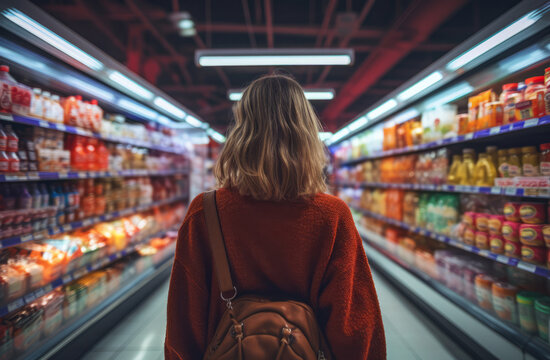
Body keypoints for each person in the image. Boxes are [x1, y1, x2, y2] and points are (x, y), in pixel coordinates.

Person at [165, 74, 386, 359]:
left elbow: (183, 325)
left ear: (241, 133)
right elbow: (356, 330)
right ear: (306, 135)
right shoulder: (332, 216)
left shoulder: (205, 212)